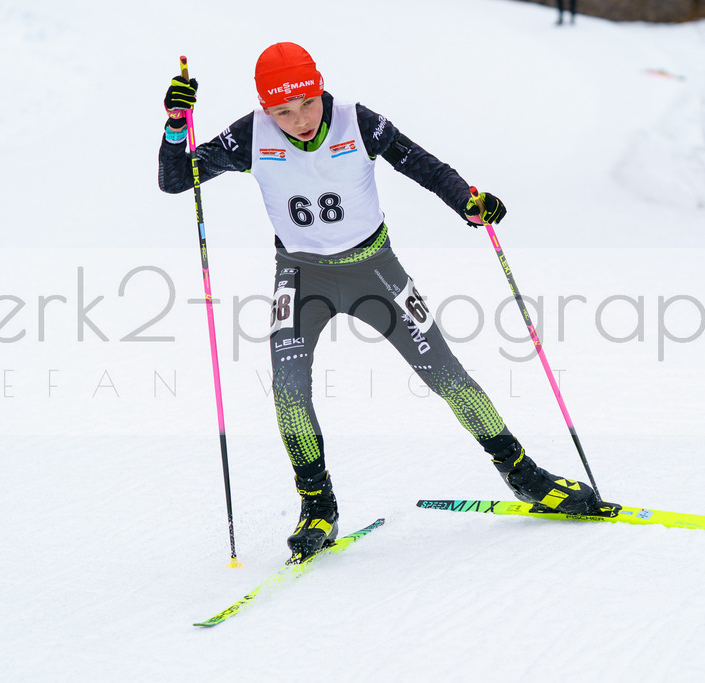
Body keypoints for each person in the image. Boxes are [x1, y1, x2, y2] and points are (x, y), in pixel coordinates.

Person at [159, 42, 615, 561]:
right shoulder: (251, 135)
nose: (300, 120)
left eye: (307, 103)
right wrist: (176, 123)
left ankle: (525, 476)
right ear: (266, 108)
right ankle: (317, 507)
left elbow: (422, 165)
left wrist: (467, 202)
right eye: (283, 111)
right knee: (288, 391)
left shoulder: (359, 122)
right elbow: (177, 180)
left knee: (446, 374)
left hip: (376, 271)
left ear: (320, 87)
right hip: (301, 276)